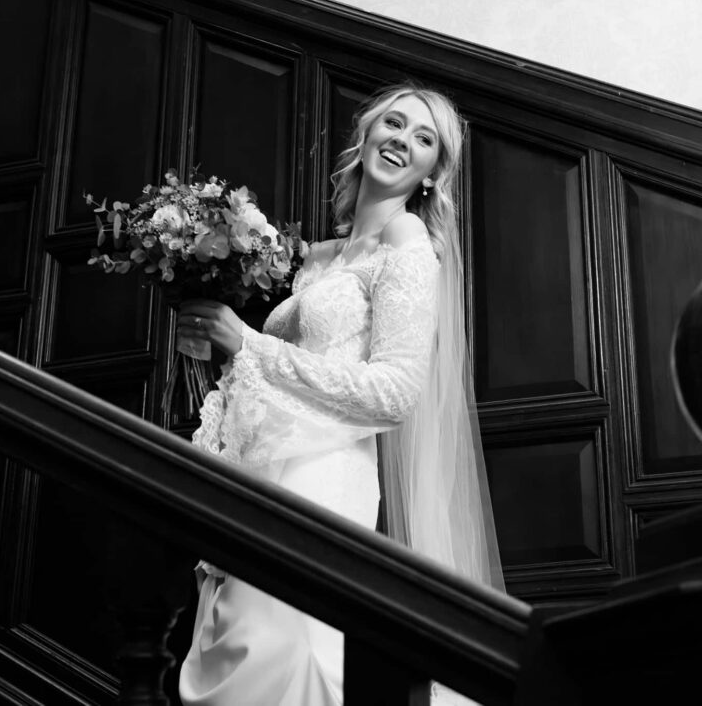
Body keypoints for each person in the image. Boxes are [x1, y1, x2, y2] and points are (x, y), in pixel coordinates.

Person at [175, 82, 503, 705]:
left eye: (424, 138)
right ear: (367, 134)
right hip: (261, 465)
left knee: (286, 647)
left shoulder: (408, 248)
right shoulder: (317, 259)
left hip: (325, 473)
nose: (404, 141)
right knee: (242, 632)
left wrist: (249, 342)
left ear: (434, 172)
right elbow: (275, 369)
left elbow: (394, 393)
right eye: (395, 124)